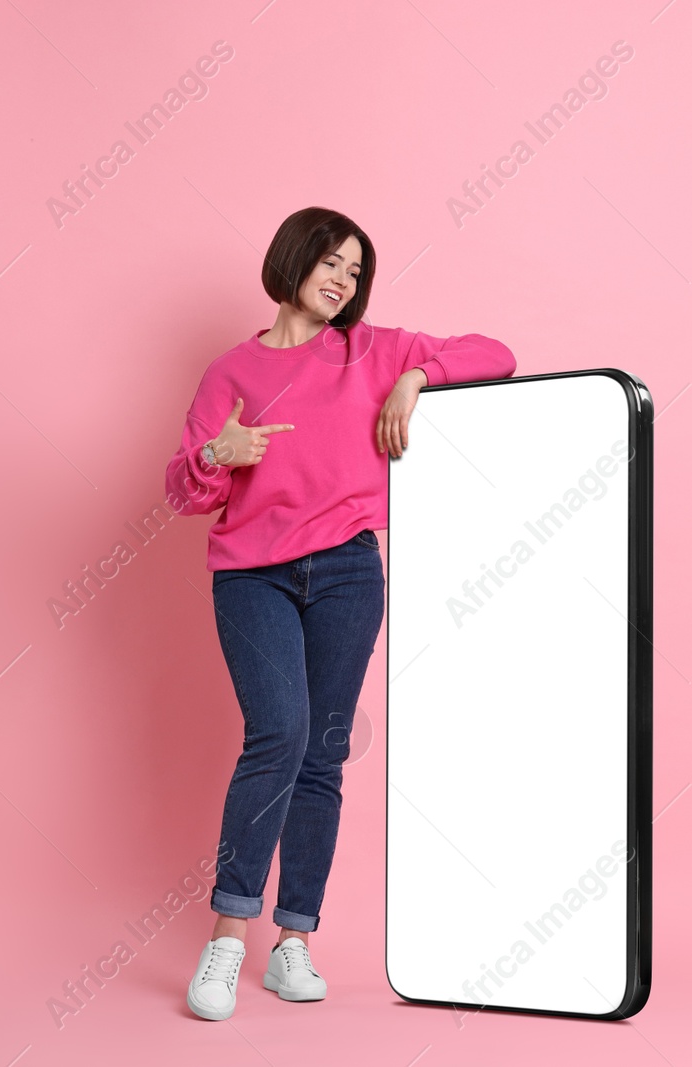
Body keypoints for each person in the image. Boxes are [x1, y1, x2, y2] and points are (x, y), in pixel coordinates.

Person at [164, 206, 516, 1020]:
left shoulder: (373, 350)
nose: (342, 280)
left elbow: (495, 354)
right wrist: (221, 453)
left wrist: (416, 376)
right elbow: (182, 492)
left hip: (351, 572)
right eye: (330, 261)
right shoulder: (230, 374)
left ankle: (295, 941)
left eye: (355, 271)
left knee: (322, 751)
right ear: (293, 260)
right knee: (278, 732)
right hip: (252, 577)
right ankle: (228, 936)